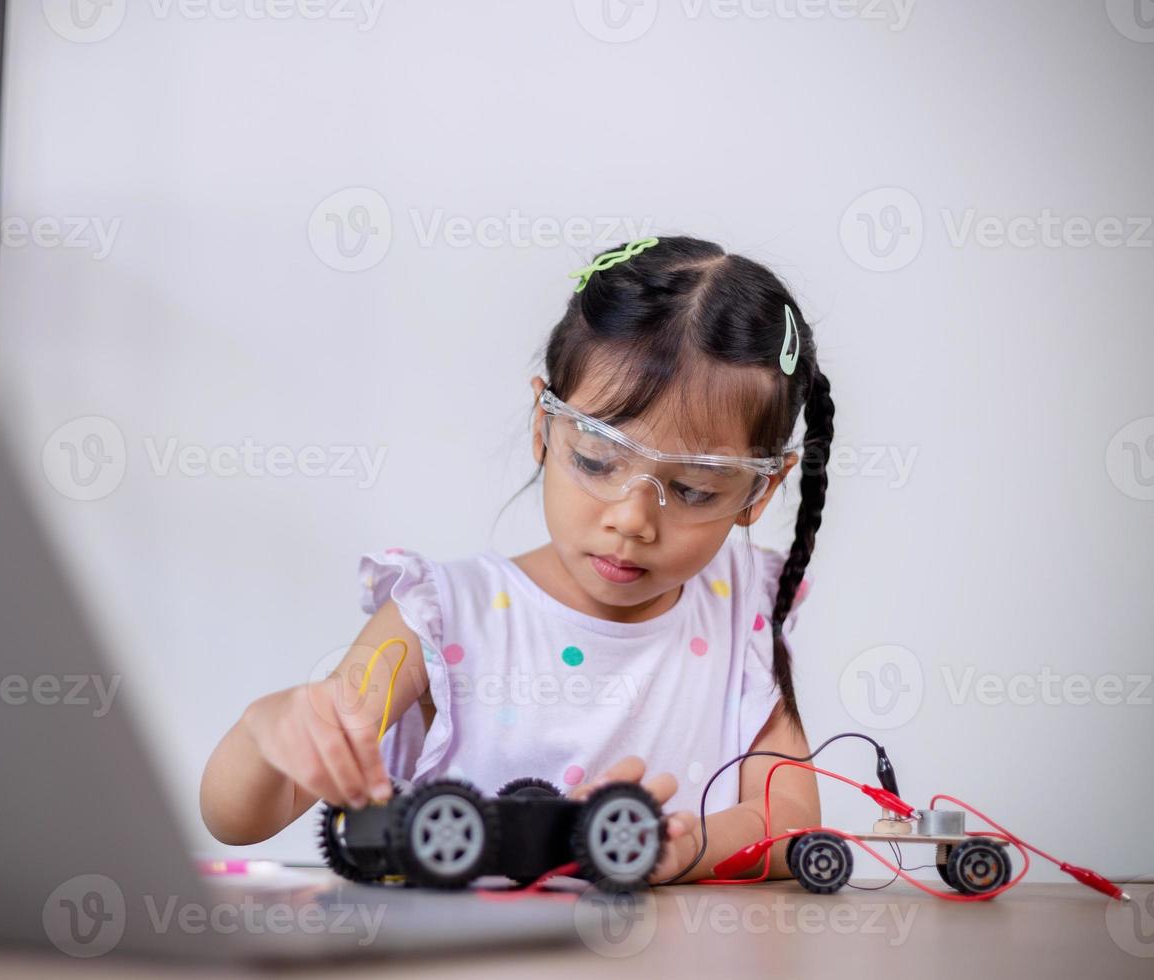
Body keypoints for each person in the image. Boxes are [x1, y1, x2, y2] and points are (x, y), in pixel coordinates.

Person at [200, 235, 830, 884]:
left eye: (695, 488)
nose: (631, 519)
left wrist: (695, 845)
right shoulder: (436, 619)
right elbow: (238, 819)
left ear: (761, 489)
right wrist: (263, 736)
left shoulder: (740, 611)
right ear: (543, 425)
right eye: (595, 461)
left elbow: (793, 820)